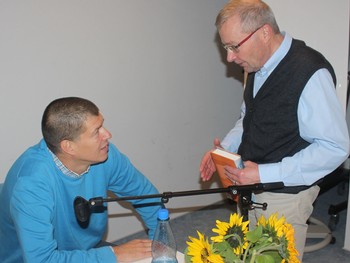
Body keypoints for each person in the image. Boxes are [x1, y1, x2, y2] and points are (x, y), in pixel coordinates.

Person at [199, 0, 349, 260]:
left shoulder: (309, 72)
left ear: (264, 33)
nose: (229, 57)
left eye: (234, 46)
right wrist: (225, 148)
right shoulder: (257, 65)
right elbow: (249, 117)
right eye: (226, 47)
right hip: (252, 185)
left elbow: (335, 148)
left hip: (285, 195)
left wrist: (264, 174)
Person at [0, 97, 162, 263]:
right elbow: (41, 260)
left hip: (84, 252)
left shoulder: (106, 155)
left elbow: (145, 195)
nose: (107, 135)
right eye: (96, 131)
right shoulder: (31, 184)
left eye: (102, 125)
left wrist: (161, 243)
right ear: (69, 147)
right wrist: (115, 255)